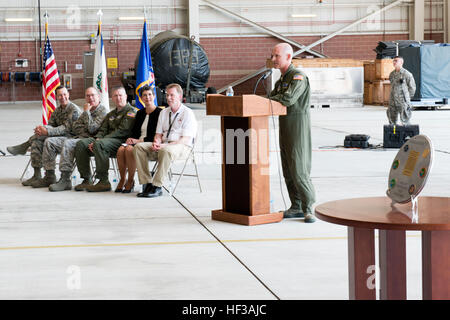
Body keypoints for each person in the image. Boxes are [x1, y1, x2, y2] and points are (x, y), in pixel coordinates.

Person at [269, 43, 316, 223]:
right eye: (272, 56)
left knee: (299, 169)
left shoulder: (298, 77)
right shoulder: (280, 81)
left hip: (298, 127)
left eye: (277, 56)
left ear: (288, 57)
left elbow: (288, 99)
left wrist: (272, 99)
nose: (273, 59)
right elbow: (271, 98)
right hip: (285, 126)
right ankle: (295, 206)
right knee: (288, 169)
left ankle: (308, 207)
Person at [7, 86, 81, 187]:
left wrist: (47, 131)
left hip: (72, 138)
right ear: (57, 97)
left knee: (48, 140)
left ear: (68, 95)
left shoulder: (74, 110)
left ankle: (24, 148)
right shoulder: (58, 110)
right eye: (60, 95)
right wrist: (42, 128)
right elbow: (51, 124)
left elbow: (65, 129)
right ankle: (37, 175)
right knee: (37, 141)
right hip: (60, 136)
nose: (62, 97)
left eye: (64, 94)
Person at [133, 83, 197, 198]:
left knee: (166, 151)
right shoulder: (164, 112)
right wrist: (156, 142)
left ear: (180, 96)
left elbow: (184, 139)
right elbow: (158, 134)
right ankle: (147, 183)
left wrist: (163, 146)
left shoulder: (187, 113)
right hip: (164, 145)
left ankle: (157, 186)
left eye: (172, 95)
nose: (168, 98)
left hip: (182, 147)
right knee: (139, 147)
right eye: (167, 95)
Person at [42, 87, 108, 191]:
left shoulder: (102, 111)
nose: (90, 98)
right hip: (77, 137)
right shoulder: (88, 109)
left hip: (91, 140)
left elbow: (92, 129)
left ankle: (65, 179)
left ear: (98, 96)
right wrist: (84, 124)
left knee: (68, 143)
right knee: (49, 142)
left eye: (93, 95)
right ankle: (49, 175)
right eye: (88, 96)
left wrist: (86, 113)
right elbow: (75, 127)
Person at [74, 86, 136, 192]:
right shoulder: (111, 114)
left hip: (122, 142)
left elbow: (122, 131)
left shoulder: (131, 112)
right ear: (112, 98)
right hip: (106, 141)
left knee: (99, 144)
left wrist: (99, 141)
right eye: (115, 96)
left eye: (120, 95)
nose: (118, 98)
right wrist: (97, 138)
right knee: (81, 144)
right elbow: (103, 130)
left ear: (126, 96)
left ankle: (103, 181)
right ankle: (87, 179)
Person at [115, 85, 162, 193]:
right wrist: (131, 139)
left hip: (150, 143)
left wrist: (137, 141)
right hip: (137, 142)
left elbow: (157, 135)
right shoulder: (140, 113)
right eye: (144, 95)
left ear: (154, 96)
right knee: (121, 149)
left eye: (149, 94)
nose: (147, 97)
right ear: (141, 98)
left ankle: (131, 180)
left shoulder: (160, 113)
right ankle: (123, 179)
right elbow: (135, 131)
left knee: (129, 149)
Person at [387, 56, 416, 125]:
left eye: (396, 61)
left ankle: (407, 135)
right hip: (393, 101)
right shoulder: (392, 74)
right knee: (392, 121)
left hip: (403, 101)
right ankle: (394, 134)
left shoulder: (407, 74)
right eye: (393, 61)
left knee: (405, 121)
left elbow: (412, 88)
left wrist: (407, 99)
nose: (394, 62)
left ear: (401, 62)